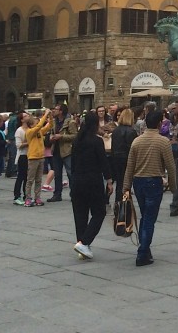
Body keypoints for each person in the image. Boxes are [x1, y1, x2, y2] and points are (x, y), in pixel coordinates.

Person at [124, 110, 177, 267]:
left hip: (138, 182)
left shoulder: (137, 141)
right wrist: (173, 186)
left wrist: (126, 186)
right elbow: (171, 166)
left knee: (144, 215)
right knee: (149, 219)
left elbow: (130, 166)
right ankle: (142, 252)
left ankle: (145, 250)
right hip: (154, 181)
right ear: (160, 124)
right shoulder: (162, 141)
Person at [70, 110, 113, 260]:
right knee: (99, 212)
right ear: (95, 125)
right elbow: (103, 162)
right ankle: (85, 242)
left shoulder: (77, 140)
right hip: (92, 181)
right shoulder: (96, 141)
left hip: (77, 180)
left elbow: (73, 163)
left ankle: (82, 244)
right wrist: (109, 180)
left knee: (80, 215)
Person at [47, 104, 77, 202]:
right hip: (56, 150)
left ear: (61, 111)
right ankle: (57, 194)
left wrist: (62, 137)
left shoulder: (70, 122)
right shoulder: (54, 122)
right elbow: (52, 132)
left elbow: (75, 136)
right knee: (57, 174)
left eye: (56, 109)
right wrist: (51, 137)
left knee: (70, 172)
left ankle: (74, 193)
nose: (53, 111)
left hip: (66, 150)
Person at [23, 111, 52, 206]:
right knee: (30, 179)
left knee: (39, 179)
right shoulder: (29, 132)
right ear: (31, 125)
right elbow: (39, 126)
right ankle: (28, 198)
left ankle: (37, 197)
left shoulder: (39, 131)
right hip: (33, 157)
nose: (38, 123)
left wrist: (50, 117)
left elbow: (49, 126)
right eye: (36, 122)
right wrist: (45, 115)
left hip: (40, 157)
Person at [108, 109, 137, 205]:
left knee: (120, 183)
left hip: (116, 158)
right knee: (126, 183)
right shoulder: (131, 131)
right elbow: (132, 148)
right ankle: (124, 204)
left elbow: (113, 146)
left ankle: (118, 202)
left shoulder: (116, 130)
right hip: (127, 159)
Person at [12, 111, 30, 206]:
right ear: (22, 119)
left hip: (30, 155)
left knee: (27, 177)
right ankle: (17, 196)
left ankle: (26, 195)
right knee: (21, 176)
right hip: (22, 155)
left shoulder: (30, 128)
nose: (28, 116)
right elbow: (18, 145)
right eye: (26, 116)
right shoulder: (19, 130)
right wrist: (29, 142)